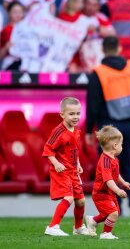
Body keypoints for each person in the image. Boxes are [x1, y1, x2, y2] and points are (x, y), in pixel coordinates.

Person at [86, 36, 130, 216]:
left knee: (108, 166)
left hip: (108, 126)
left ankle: (114, 206)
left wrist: (90, 129)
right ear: (120, 48)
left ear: (103, 50)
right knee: (127, 163)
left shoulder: (98, 72)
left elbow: (93, 104)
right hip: (129, 123)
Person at [43, 97, 91, 236]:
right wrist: (56, 163)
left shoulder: (76, 130)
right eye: (71, 114)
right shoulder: (58, 131)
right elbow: (48, 149)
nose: (75, 117)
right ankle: (52, 226)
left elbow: (74, 150)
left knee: (81, 201)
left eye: (78, 113)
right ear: (62, 114)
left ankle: (78, 228)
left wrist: (78, 164)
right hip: (62, 170)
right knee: (68, 198)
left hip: (73, 170)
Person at [86, 125, 130, 239]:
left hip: (108, 193)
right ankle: (106, 234)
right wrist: (118, 190)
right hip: (101, 193)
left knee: (113, 212)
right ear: (115, 146)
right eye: (121, 144)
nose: (122, 147)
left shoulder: (113, 159)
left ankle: (93, 220)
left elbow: (115, 175)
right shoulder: (105, 161)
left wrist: (123, 182)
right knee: (113, 213)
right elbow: (108, 180)